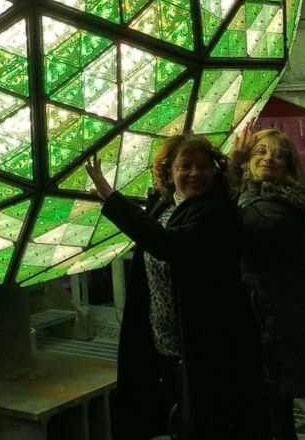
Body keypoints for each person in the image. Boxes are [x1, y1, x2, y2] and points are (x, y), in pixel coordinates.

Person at [85, 134, 265, 440]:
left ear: (214, 171)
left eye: (203, 166)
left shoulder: (220, 214)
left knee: (208, 423)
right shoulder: (163, 205)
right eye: (186, 166)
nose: (195, 173)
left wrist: (112, 199)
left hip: (208, 347)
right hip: (163, 343)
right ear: (170, 172)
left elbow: (167, 244)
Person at [231, 123, 305, 440]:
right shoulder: (255, 198)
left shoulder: (274, 209)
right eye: (260, 151)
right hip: (269, 318)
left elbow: (240, 226)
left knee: (275, 408)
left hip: (273, 320)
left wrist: (231, 168)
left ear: (288, 167)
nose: (268, 159)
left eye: (278, 155)